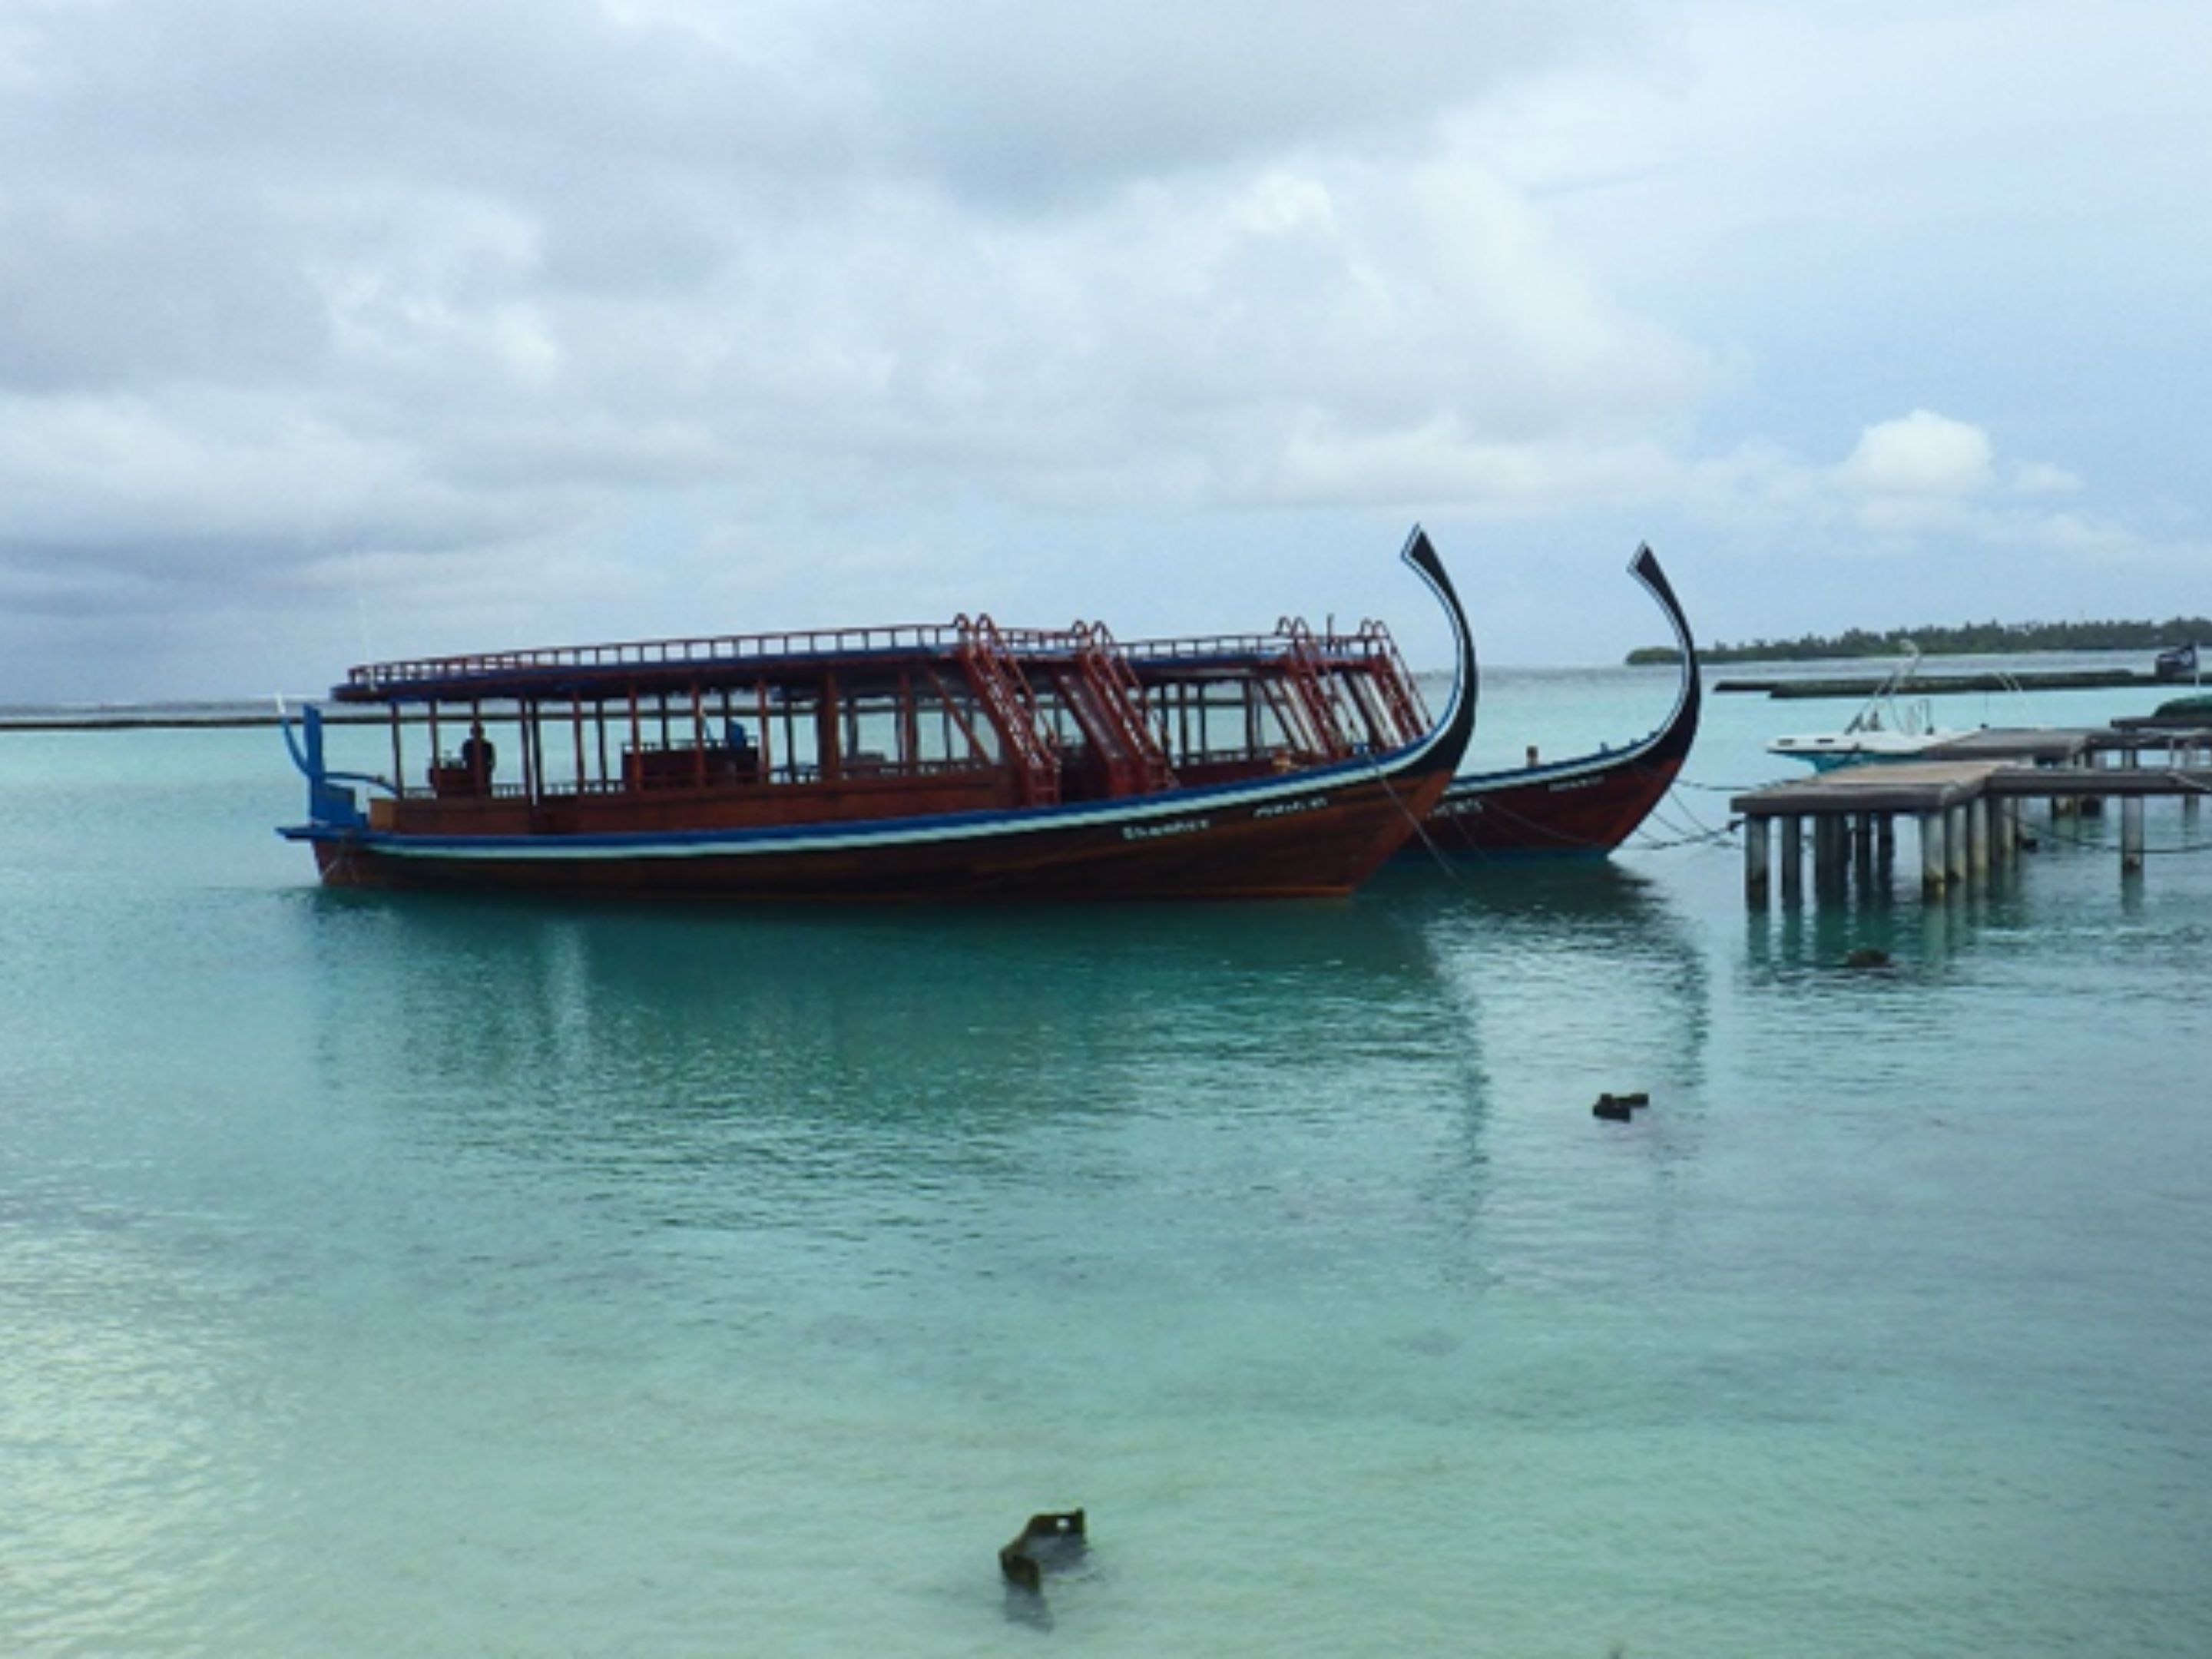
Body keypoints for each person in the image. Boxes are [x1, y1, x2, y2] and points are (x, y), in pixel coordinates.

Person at [460, 720, 497, 790]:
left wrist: (486, 770)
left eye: (478, 731)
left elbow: (492, 761)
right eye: (476, 731)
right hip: (471, 776)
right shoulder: (468, 745)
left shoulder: (487, 746)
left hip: (483, 775)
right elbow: (465, 759)